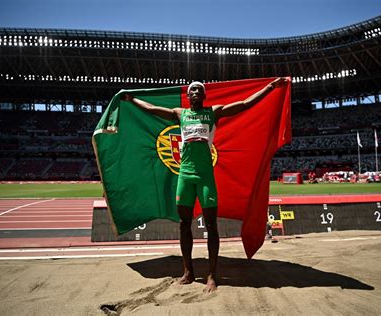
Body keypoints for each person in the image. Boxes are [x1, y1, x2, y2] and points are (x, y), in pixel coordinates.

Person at [123, 77, 287, 293]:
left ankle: (211, 274)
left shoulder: (213, 112)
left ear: (205, 95)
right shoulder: (180, 113)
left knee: (211, 226)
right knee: (184, 224)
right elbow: (152, 109)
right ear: (189, 95)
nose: (197, 92)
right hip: (185, 175)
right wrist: (131, 98)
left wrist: (268, 88)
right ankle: (188, 271)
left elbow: (245, 104)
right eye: (193, 90)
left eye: (200, 90)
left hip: (205, 177)